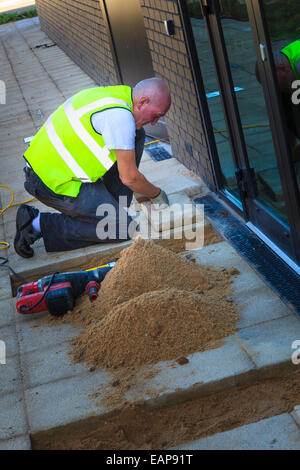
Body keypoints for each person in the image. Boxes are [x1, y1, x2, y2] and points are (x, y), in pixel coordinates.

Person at [14, 77, 171, 258]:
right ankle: (35, 224)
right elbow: (129, 178)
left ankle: (111, 211)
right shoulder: (120, 117)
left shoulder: (120, 96)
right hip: (49, 180)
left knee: (137, 133)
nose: (154, 122)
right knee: (122, 228)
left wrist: (142, 193)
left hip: (59, 169)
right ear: (142, 102)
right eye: (156, 115)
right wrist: (156, 194)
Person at [255, 39, 300, 162]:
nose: (283, 89)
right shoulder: (284, 57)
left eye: (283, 86)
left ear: (283, 69)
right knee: (284, 106)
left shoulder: (297, 67)